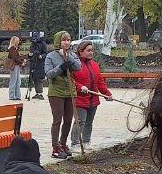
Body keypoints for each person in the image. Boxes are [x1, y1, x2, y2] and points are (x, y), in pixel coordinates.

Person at [43, 31, 81, 160]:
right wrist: (61, 67)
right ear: (58, 41)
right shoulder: (51, 56)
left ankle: (63, 143)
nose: (67, 42)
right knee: (57, 119)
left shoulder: (72, 54)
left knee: (69, 119)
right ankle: (55, 147)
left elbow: (78, 67)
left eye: (69, 40)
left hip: (70, 91)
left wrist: (68, 59)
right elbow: (48, 74)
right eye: (64, 40)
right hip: (56, 92)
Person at [71, 40, 112, 149]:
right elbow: (70, 81)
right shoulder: (75, 65)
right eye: (88, 50)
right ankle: (74, 143)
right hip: (80, 99)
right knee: (80, 122)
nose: (91, 53)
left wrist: (107, 94)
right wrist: (80, 87)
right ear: (81, 51)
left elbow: (100, 82)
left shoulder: (94, 65)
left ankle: (86, 142)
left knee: (89, 122)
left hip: (93, 100)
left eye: (92, 51)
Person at [25, 33, 47, 100]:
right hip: (33, 63)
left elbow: (46, 53)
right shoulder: (32, 44)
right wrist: (30, 55)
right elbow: (30, 54)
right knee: (33, 78)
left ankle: (40, 94)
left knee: (39, 79)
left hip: (40, 64)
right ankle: (36, 93)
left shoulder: (43, 44)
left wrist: (41, 56)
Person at [5, 36, 24, 101]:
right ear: (15, 41)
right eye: (18, 41)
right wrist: (22, 63)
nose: (19, 42)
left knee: (18, 81)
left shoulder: (15, 48)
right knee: (13, 81)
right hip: (13, 66)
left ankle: (17, 95)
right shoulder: (12, 49)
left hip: (17, 66)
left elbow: (17, 57)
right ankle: (12, 96)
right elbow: (15, 58)